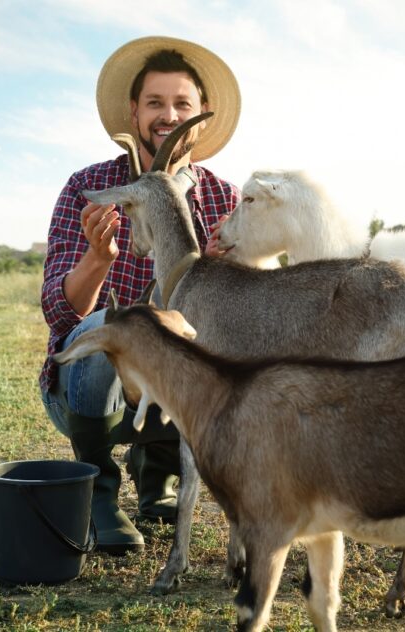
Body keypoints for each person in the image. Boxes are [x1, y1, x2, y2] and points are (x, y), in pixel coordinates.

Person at [39, 36, 241, 555]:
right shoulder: (89, 186)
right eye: (154, 102)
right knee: (120, 323)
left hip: (181, 398)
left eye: (181, 104)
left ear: (201, 115)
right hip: (90, 393)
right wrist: (97, 260)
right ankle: (100, 493)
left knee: (209, 332)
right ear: (134, 111)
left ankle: (161, 476)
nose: (167, 115)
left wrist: (230, 277)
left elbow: (250, 322)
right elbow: (62, 315)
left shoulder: (226, 199)